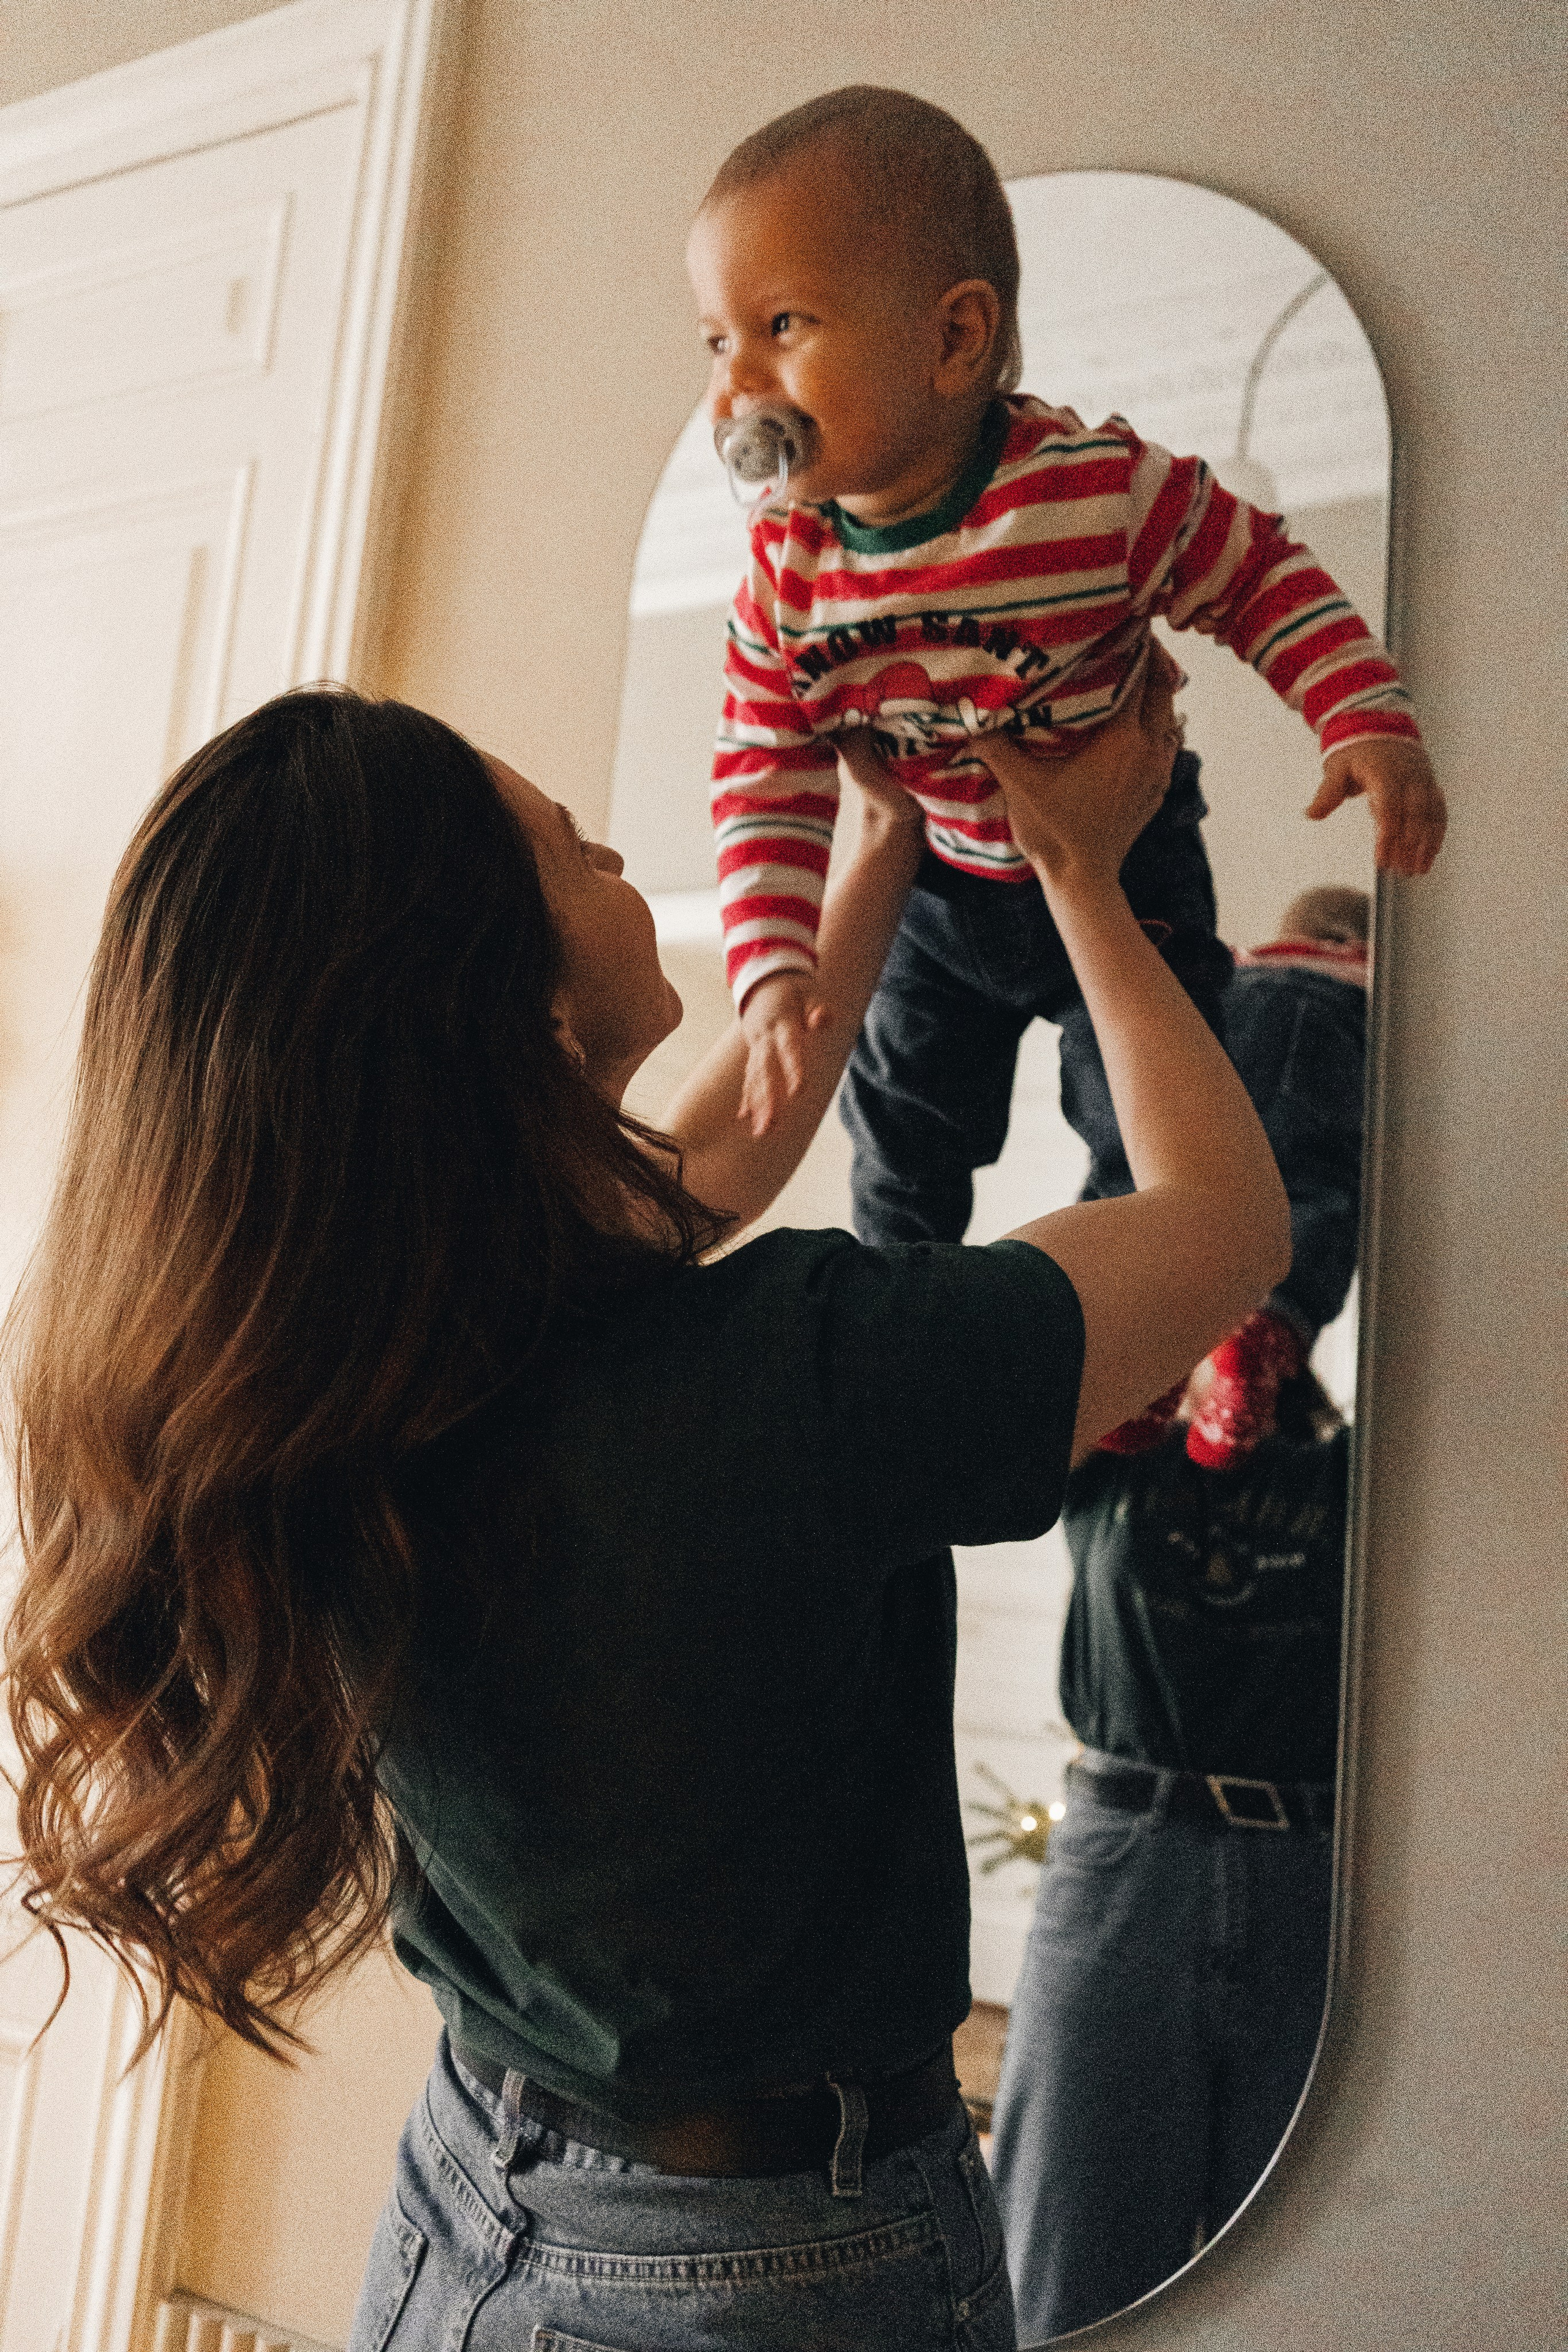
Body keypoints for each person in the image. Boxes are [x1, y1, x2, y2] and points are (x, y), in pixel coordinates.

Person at [4, 665, 1287, 2351]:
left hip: (493, 2180)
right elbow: (1224, 1220)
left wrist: (886, 835)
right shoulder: (794, 1378)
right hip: (759, 2277)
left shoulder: (384, 1337)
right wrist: (1081, 876)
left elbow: (744, 1129)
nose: (625, 858)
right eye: (578, 849)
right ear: (514, 1007)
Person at [687, 83, 1444, 1244]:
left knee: (1141, 1120)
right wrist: (774, 968)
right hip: (939, 887)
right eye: (716, 339)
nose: (735, 385)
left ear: (954, 339)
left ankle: (1122, 1324)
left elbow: (1258, 576)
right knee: (900, 1121)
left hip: (1129, 858)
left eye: (782, 327)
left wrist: (1361, 715)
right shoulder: (785, 578)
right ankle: (903, 1297)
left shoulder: (1092, 490)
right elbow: (763, 772)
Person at [987, 1371, 1351, 2342]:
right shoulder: (1112, 1449)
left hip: (1315, 1877)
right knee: (1064, 2272)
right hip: (1123, 1869)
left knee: (1305, 2273)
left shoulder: (1362, 1471)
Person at [1080, 883, 1371, 1466]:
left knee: (1138, 1189)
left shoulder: (1240, 967)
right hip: (1314, 1026)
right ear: (1353, 942)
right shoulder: (1362, 976)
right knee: (1303, 1186)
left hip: (1208, 1029)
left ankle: (1141, 1338)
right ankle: (1269, 1318)